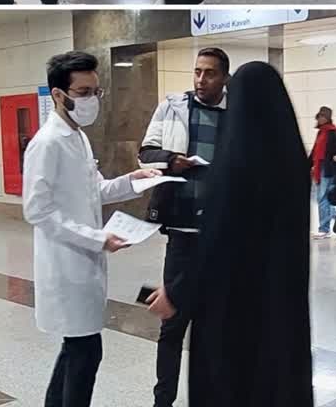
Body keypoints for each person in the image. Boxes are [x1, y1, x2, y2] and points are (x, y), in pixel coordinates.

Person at [23, 51, 160, 407]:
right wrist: (97, 238)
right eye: (83, 93)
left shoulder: (77, 137)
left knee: (76, 350)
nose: (92, 100)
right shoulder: (47, 143)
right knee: (85, 352)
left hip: (83, 265)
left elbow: (95, 190)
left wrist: (133, 180)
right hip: (65, 266)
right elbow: (37, 210)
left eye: (96, 92)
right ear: (58, 94)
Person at [187, 62, 313, 406]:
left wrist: (181, 289)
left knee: (234, 381)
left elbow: (215, 243)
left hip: (232, 306)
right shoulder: (293, 161)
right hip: (282, 298)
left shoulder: (234, 164)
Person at [138, 47, 230, 407]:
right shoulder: (173, 107)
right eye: (197, 72)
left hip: (221, 235)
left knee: (215, 324)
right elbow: (146, 152)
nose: (201, 79)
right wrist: (171, 160)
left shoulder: (235, 114)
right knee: (172, 321)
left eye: (210, 73)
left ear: (224, 78)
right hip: (182, 230)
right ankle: (163, 401)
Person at [308, 106, 336, 239]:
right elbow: (314, 151)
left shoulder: (333, 132)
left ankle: (324, 228)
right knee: (325, 198)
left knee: (323, 198)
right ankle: (334, 222)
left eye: (323, 116)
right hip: (320, 168)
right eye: (320, 116)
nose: (321, 119)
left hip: (327, 169)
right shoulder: (321, 133)